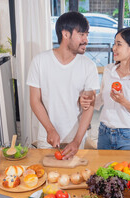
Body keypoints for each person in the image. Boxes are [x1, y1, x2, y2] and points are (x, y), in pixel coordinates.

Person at [27, 12, 99, 159]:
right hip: (48, 137)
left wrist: (77, 140)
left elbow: (90, 105)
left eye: (87, 35)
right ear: (65, 34)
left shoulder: (89, 66)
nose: (86, 40)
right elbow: (35, 100)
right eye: (81, 34)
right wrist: (50, 130)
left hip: (76, 138)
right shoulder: (40, 61)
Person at [81, 27, 130, 150]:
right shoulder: (109, 70)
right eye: (114, 43)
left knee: (126, 170)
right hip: (104, 132)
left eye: (119, 44)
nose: (114, 48)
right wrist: (88, 100)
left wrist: (124, 102)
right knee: (102, 169)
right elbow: (102, 98)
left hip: (128, 136)